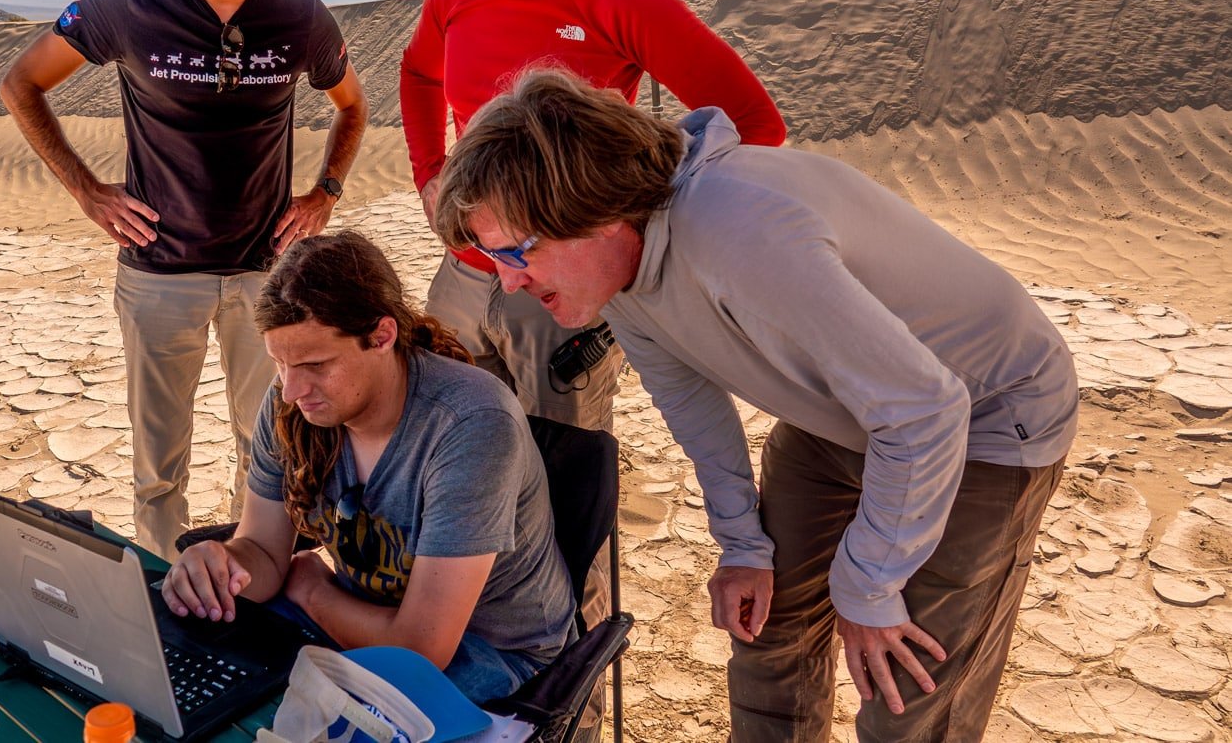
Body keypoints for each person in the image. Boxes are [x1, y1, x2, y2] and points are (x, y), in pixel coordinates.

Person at [432, 68, 1077, 741]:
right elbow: (691, 405)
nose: (506, 280)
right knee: (768, 626)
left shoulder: (737, 229)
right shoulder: (619, 275)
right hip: (846, 410)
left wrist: (869, 586)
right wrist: (742, 545)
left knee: (902, 682)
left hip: (988, 416)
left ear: (594, 212)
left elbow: (926, 410)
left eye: (515, 251)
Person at [0, 0, 367, 558]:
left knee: (269, 455)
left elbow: (352, 106)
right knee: (158, 470)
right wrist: (86, 189)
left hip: (268, 282)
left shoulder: (299, 15)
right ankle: (168, 604)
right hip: (158, 278)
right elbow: (22, 84)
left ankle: (251, 588)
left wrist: (325, 193)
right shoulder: (127, 5)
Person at [400, 0, 787, 445]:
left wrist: (640, 229)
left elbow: (753, 123)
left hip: (562, 293)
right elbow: (417, 74)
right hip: (464, 273)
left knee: (566, 489)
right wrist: (428, 173)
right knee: (455, 462)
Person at [160, 231, 575, 702]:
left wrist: (314, 593)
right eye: (280, 364)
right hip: (361, 613)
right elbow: (264, 551)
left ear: (382, 336)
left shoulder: (470, 424)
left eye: (316, 364)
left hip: (491, 650)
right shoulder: (292, 401)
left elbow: (420, 650)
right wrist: (220, 569)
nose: (292, 390)